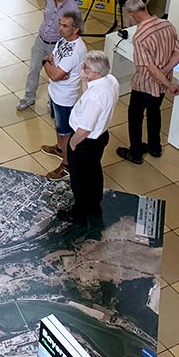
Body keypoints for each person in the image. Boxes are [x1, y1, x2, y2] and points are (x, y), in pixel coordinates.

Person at [116, 0, 179, 165]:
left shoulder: (140, 37)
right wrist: (166, 75)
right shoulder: (167, 25)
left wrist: (169, 85)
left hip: (144, 84)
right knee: (154, 112)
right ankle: (155, 147)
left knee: (135, 116)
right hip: (161, 83)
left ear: (132, 14)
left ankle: (136, 153)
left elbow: (151, 69)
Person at [59, 50, 121, 227]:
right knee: (93, 170)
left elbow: (85, 129)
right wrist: (85, 83)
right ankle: (94, 203)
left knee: (79, 178)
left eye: (85, 67)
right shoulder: (110, 81)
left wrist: (72, 143)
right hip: (101, 136)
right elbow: (89, 96)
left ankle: (79, 213)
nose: (82, 68)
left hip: (84, 140)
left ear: (95, 72)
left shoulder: (95, 97)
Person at [17, 0, 82, 111]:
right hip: (41, 40)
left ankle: (51, 102)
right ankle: (29, 97)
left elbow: (75, 31)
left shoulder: (73, 9)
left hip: (56, 45)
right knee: (33, 69)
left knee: (54, 75)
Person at [40, 12, 88, 180]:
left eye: (65, 26)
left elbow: (54, 73)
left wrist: (46, 63)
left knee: (66, 133)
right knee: (58, 127)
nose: (60, 28)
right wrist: (50, 64)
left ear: (76, 29)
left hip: (65, 99)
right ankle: (60, 149)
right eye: (60, 24)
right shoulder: (63, 40)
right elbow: (52, 58)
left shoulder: (75, 51)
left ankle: (67, 165)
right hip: (55, 92)